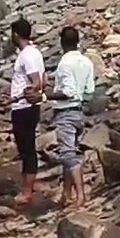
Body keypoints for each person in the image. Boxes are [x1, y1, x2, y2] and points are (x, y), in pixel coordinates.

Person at [48, 26, 94, 209]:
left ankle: (80, 195)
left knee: (68, 155)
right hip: (79, 111)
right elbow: (89, 91)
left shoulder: (65, 64)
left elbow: (68, 91)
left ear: (62, 43)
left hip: (65, 111)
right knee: (72, 151)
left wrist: (46, 96)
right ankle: (66, 194)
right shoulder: (87, 62)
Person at [8, 17, 45, 206]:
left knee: (27, 150)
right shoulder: (34, 53)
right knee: (27, 149)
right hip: (26, 106)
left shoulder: (28, 55)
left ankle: (27, 191)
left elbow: (36, 82)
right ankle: (29, 185)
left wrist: (18, 97)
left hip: (24, 107)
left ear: (15, 34)